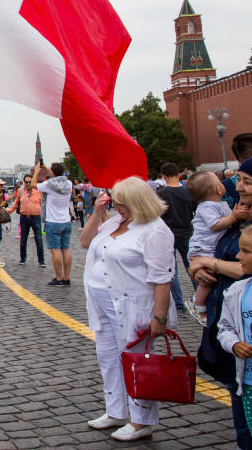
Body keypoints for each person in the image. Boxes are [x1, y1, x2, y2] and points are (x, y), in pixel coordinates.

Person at [79, 178, 176, 442]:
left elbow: (162, 278)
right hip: (103, 302)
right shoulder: (115, 222)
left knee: (136, 361)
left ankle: (141, 420)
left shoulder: (154, 230)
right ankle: (115, 410)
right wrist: (98, 213)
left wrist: (160, 316)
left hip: (133, 305)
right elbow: (86, 242)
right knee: (108, 357)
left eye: (120, 204)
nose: (117, 207)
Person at [192, 151, 252, 450]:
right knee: (243, 414)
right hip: (234, 325)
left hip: (251, 324)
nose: (239, 186)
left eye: (247, 181)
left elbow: (242, 265)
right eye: (239, 180)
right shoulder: (240, 212)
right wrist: (200, 268)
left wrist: (210, 263)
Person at [185, 171, 250, 326]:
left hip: (209, 246)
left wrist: (237, 214)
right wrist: (234, 217)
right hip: (203, 247)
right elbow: (215, 225)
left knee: (210, 276)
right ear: (218, 189)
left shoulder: (219, 204)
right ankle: (197, 303)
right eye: (219, 181)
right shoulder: (206, 207)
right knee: (208, 277)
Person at [217, 222, 252, 445]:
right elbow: (224, 328)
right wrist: (234, 344)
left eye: (246, 251)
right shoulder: (238, 291)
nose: (237, 255)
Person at [157, 163, 197, 317]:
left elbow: (158, 214)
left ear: (163, 176)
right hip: (187, 232)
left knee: (172, 271)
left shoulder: (161, 194)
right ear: (179, 175)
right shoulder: (189, 192)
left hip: (168, 234)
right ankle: (199, 300)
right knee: (192, 267)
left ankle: (179, 304)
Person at [35, 163, 73, 286]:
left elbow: (33, 185)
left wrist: (36, 171)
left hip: (53, 221)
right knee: (65, 249)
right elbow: (57, 177)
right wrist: (47, 168)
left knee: (55, 250)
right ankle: (67, 278)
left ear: (53, 173)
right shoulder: (69, 183)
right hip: (66, 221)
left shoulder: (48, 185)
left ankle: (59, 278)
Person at [6, 173, 45, 267]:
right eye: (26, 182)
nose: (28, 183)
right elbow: (16, 202)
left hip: (36, 217)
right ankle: (22, 259)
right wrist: (9, 211)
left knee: (39, 240)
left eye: (30, 182)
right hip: (24, 217)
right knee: (23, 240)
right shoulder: (20, 190)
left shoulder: (39, 191)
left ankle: (41, 261)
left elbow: (43, 203)